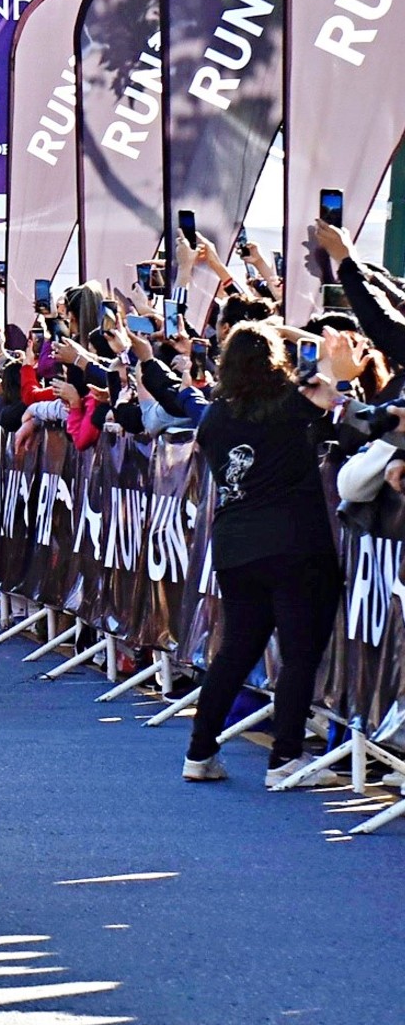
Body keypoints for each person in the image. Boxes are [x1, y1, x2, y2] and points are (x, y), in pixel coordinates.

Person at [184, 323, 355, 789]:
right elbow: (336, 410)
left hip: (236, 544)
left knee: (236, 650)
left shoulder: (215, 418)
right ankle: (285, 757)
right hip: (294, 542)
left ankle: (200, 751)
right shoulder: (291, 405)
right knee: (299, 653)